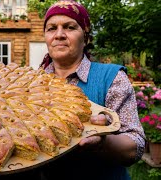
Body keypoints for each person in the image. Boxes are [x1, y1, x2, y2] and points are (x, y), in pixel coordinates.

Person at [38, 0, 145, 179]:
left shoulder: (111, 77)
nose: (59, 35)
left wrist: (103, 143)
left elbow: (136, 145)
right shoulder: (33, 82)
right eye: (51, 28)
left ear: (86, 37)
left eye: (69, 27)